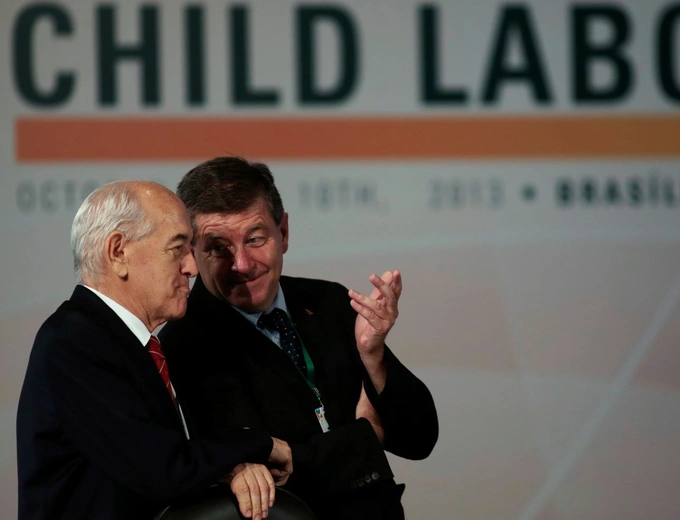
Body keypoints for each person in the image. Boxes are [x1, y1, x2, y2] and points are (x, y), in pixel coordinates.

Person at [161, 157, 439, 519]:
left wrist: (374, 357)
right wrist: (366, 435)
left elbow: (419, 438)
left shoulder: (328, 302)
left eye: (255, 239)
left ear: (284, 233)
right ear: (192, 253)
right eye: (219, 248)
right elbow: (264, 467)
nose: (242, 264)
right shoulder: (184, 342)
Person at [17, 181, 294, 520]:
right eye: (177, 248)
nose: (191, 268)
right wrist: (262, 444)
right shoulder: (75, 342)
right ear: (118, 252)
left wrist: (231, 469)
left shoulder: (124, 341)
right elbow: (165, 470)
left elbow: (148, 463)